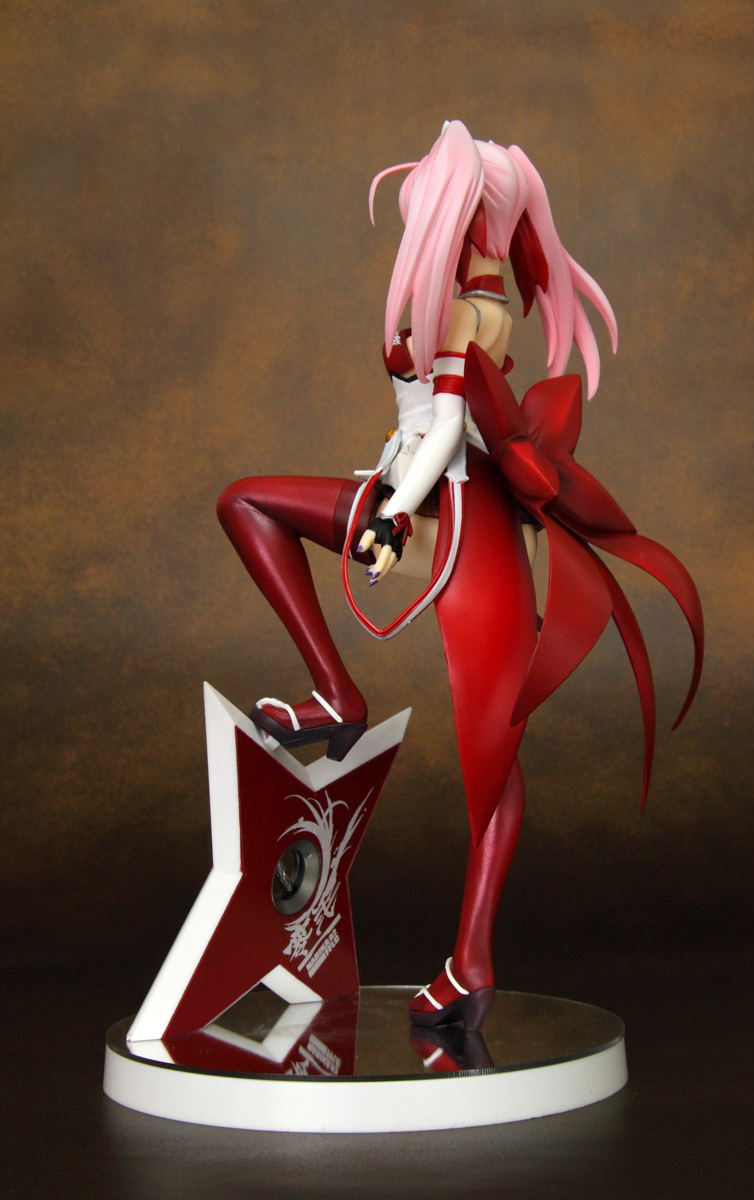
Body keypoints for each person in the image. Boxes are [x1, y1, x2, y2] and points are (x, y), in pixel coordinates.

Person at [217, 121, 702, 1030]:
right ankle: (336, 695)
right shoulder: (474, 300)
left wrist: (394, 515)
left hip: (456, 514)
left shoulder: (467, 311)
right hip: (429, 495)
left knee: (492, 754)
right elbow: (434, 427)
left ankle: (472, 961)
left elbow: (445, 427)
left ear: (463, 214)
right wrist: (391, 498)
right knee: (250, 505)